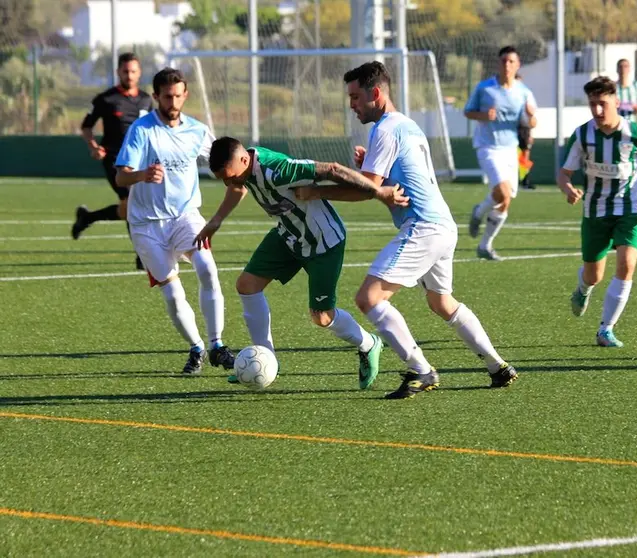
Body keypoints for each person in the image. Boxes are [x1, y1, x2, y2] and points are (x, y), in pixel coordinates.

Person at [344, 61, 518, 399]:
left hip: (424, 226)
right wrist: (371, 172)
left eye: (354, 97)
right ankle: (498, 366)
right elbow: (393, 185)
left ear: (375, 93)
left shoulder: (385, 129)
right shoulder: (404, 125)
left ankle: (422, 371)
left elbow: (369, 188)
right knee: (441, 302)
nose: (351, 104)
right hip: (442, 226)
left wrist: (327, 183)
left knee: (368, 298)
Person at [197, 137, 408, 389]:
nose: (230, 182)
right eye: (224, 179)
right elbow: (237, 188)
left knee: (322, 317)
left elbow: (332, 170)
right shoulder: (243, 169)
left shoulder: (278, 170)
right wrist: (216, 220)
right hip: (288, 235)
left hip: (323, 242)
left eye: (231, 176)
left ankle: (369, 343)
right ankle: (266, 360)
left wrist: (378, 192)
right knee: (247, 285)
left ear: (245, 160)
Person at [114, 68, 235, 375]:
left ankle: (217, 345)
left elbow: (224, 158)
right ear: (156, 97)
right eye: (167, 96)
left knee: (208, 268)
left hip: (185, 216)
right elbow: (121, 174)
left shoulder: (197, 130)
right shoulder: (142, 130)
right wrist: (141, 175)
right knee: (171, 290)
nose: (173, 101)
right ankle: (197, 348)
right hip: (146, 224)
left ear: (185, 95)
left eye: (178, 95)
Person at [558, 76, 637, 348]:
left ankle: (606, 329)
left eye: (603, 104)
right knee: (593, 275)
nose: (597, 111)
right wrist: (569, 189)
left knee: (627, 263)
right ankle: (584, 288)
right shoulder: (583, 134)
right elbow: (564, 173)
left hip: (632, 208)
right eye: (592, 104)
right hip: (595, 210)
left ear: (617, 103)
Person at [73, 52, 153, 270]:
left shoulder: (147, 100)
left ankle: (87, 218)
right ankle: (141, 255)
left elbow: (154, 129)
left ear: (139, 73)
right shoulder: (106, 99)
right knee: (132, 201)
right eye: (125, 71)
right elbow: (86, 126)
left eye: (133, 71)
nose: (129, 75)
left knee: (128, 206)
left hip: (139, 161)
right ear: (118, 72)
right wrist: (93, 147)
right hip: (114, 160)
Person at [464, 46, 538, 260]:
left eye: (511, 61)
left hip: (510, 149)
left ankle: (484, 244)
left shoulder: (524, 92)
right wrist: (483, 115)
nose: (507, 65)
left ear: (517, 65)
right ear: (498, 63)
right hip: (488, 147)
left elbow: (532, 122)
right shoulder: (485, 88)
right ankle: (480, 213)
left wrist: (531, 117)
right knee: (503, 193)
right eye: (503, 60)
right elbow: (468, 111)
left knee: (505, 201)